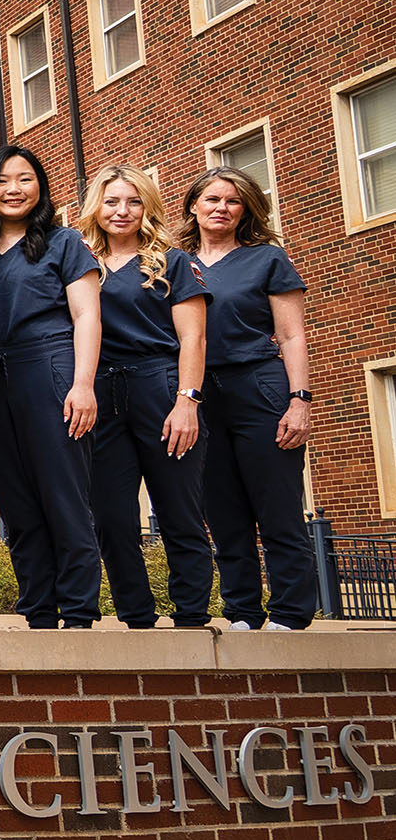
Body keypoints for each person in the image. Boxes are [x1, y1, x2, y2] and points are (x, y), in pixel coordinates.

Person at [0, 145, 102, 629]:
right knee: (15, 501)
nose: (13, 190)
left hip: (49, 367)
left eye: (25, 179)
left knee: (63, 495)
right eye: (2, 181)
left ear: (40, 187)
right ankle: (39, 611)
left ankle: (80, 612)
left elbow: (87, 315)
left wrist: (83, 383)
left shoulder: (64, 242)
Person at [78, 164, 213, 629]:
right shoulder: (78, 261)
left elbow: (194, 339)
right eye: (112, 201)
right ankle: (136, 617)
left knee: (179, 510)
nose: (122, 211)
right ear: (96, 205)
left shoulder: (171, 261)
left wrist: (187, 401)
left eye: (134, 201)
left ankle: (193, 618)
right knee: (111, 518)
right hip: (98, 392)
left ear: (147, 208)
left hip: (160, 387)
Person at [190, 166, 314, 631]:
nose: (221, 208)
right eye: (212, 199)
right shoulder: (176, 262)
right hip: (200, 397)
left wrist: (299, 400)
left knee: (277, 507)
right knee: (222, 511)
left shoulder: (267, 259)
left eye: (232, 201)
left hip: (260, 387)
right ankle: (242, 612)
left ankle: (290, 613)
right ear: (193, 206)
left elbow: (291, 334)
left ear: (245, 210)